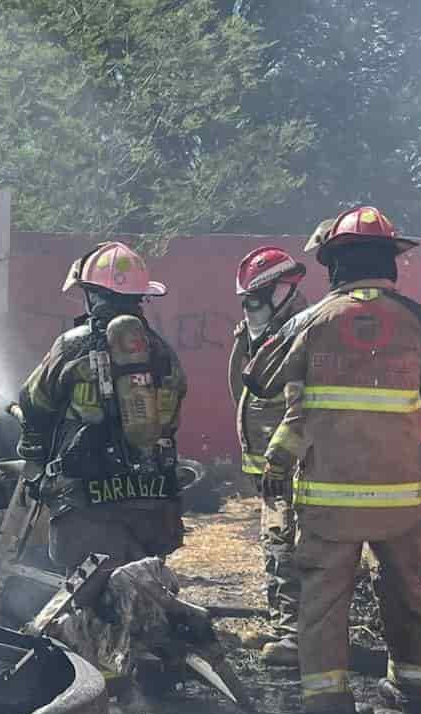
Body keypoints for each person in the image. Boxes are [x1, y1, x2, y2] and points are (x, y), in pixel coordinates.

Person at [243, 206, 421, 714]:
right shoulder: (420, 321)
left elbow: (257, 379)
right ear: (390, 262)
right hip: (402, 500)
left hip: (331, 501)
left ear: (333, 264)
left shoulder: (309, 323)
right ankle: (418, 687)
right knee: (407, 589)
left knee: (324, 599)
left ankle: (328, 703)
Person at [16, 241, 187, 573]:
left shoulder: (72, 345)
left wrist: (35, 465)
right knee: (142, 585)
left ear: (92, 295)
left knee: (88, 597)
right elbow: (173, 416)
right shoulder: (163, 352)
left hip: (86, 505)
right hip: (154, 501)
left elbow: (34, 402)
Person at [228, 245, 310, 666]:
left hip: (294, 467)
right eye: (246, 299)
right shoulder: (259, 336)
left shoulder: (302, 333)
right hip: (269, 466)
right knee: (274, 544)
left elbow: (303, 408)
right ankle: (284, 626)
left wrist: (280, 461)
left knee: (287, 546)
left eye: (256, 298)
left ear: (284, 290)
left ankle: (295, 638)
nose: (249, 308)